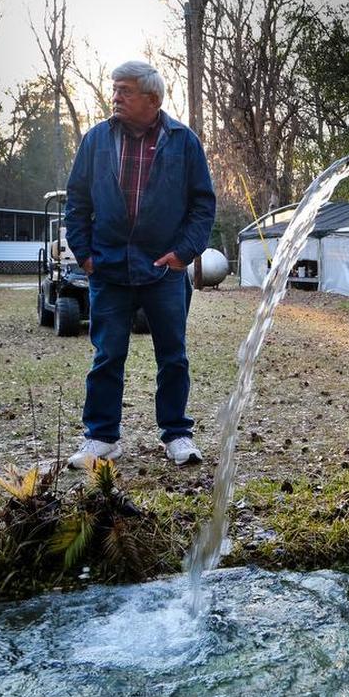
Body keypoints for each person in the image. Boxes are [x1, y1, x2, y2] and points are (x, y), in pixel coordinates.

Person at [64, 60, 216, 469]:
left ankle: (177, 434)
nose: (115, 97)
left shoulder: (183, 141)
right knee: (107, 356)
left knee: (173, 355)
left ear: (152, 99)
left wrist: (184, 253)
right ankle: (102, 438)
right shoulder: (96, 140)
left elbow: (203, 204)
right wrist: (85, 255)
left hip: (164, 270)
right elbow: (76, 201)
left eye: (125, 90)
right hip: (109, 268)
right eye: (114, 89)